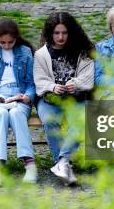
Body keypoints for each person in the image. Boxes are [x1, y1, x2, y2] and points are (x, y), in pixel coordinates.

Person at [34, 12, 94, 185]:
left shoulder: (83, 52)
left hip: (76, 99)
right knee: (50, 120)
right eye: (56, 33)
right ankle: (63, 164)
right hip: (50, 99)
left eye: (65, 33)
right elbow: (39, 80)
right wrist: (52, 86)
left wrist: (75, 83)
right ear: (50, 33)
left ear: (71, 32)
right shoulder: (41, 54)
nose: (61, 37)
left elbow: (88, 78)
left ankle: (62, 162)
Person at [0, 18, 37, 186]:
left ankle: (30, 165)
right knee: (1, 113)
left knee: (17, 113)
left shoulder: (25, 52)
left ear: (16, 38)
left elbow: (32, 83)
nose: (7, 46)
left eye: (10, 42)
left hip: (19, 97)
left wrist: (27, 96)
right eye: (2, 42)